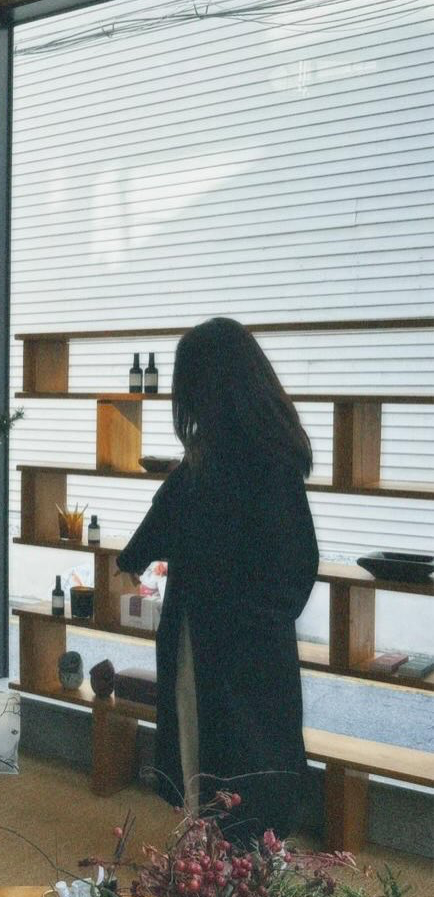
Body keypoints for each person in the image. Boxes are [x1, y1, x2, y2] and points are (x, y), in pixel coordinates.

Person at [116, 317, 318, 844]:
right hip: (214, 635)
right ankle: (211, 861)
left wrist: (245, 617)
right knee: (209, 753)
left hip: (234, 643)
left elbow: (297, 566)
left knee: (237, 764)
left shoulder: (261, 462)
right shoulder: (224, 456)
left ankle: (237, 869)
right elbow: (169, 512)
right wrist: (136, 555)